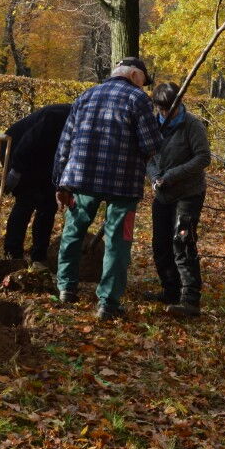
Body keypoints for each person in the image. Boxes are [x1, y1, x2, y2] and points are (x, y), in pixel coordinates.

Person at [53, 57, 163, 320]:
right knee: (118, 243)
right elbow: (151, 145)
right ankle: (107, 303)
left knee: (73, 233)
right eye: (143, 82)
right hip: (122, 184)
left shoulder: (86, 95)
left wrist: (60, 180)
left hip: (81, 179)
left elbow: (65, 141)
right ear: (135, 74)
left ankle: (66, 289)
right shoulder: (138, 100)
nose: (144, 87)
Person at [146, 83, 211, 317]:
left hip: (188, 194)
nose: (164, 114)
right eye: (160, 109)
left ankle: (190, 299)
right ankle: (170, 289)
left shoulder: (192, 125)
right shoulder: (154, 124)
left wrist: (172, 176)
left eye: (168, 110)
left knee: (182, 242)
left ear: (178, 104)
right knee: (160, 244)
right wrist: (154, 176)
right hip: (162, 194)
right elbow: (150, 155)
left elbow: (203, 157)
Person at [1, 104, 71, 274]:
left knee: (48, 206)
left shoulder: (84, 124)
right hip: (16, 147)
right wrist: (15, 172)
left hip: (45, 158)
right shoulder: (57, 116)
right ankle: (13, 254)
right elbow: (28, 143)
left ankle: (38, 256)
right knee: (26, 200)